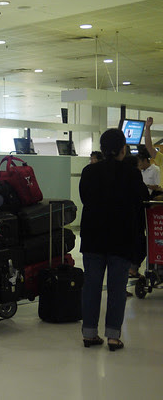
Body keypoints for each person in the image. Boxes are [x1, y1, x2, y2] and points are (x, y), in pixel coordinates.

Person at [79, 128, 149, 351]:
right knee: (117, 288)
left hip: (93, 236)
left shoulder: (89, 172)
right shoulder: (132, 173)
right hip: (121, 238)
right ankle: (113, 337)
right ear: (123, 149)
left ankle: (89, 334)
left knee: (91, 286)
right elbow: (142, 199)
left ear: (101, 149)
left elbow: (84, 198)